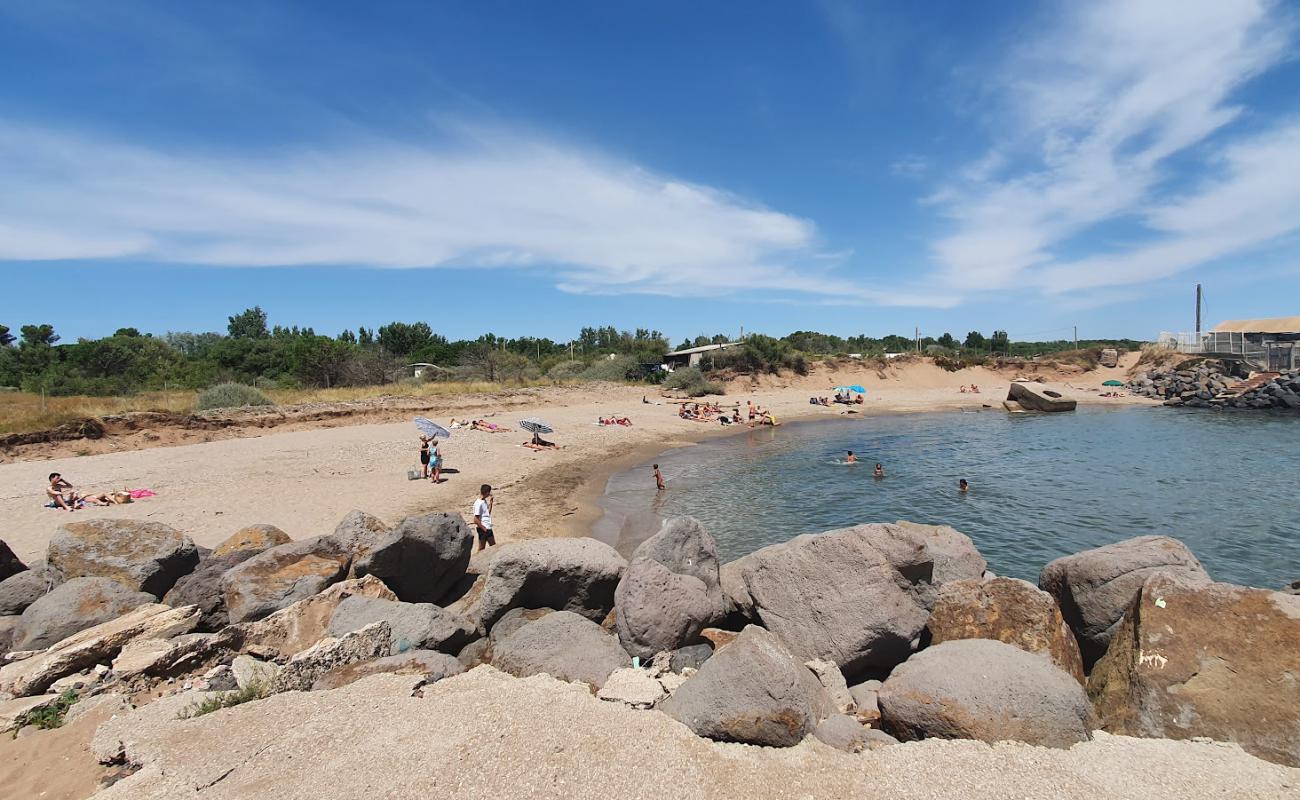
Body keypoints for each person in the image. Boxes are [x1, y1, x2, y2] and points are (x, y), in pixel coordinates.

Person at [472, 484, 496, 551]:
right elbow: (475, 520)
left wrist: (491, 503)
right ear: (487, 492)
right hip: (484, 529)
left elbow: (487, 514)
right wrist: (484, 529)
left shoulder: (484, 501)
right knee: (482, 548)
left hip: (487, 527)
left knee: (493, 547)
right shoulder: (478, 503)